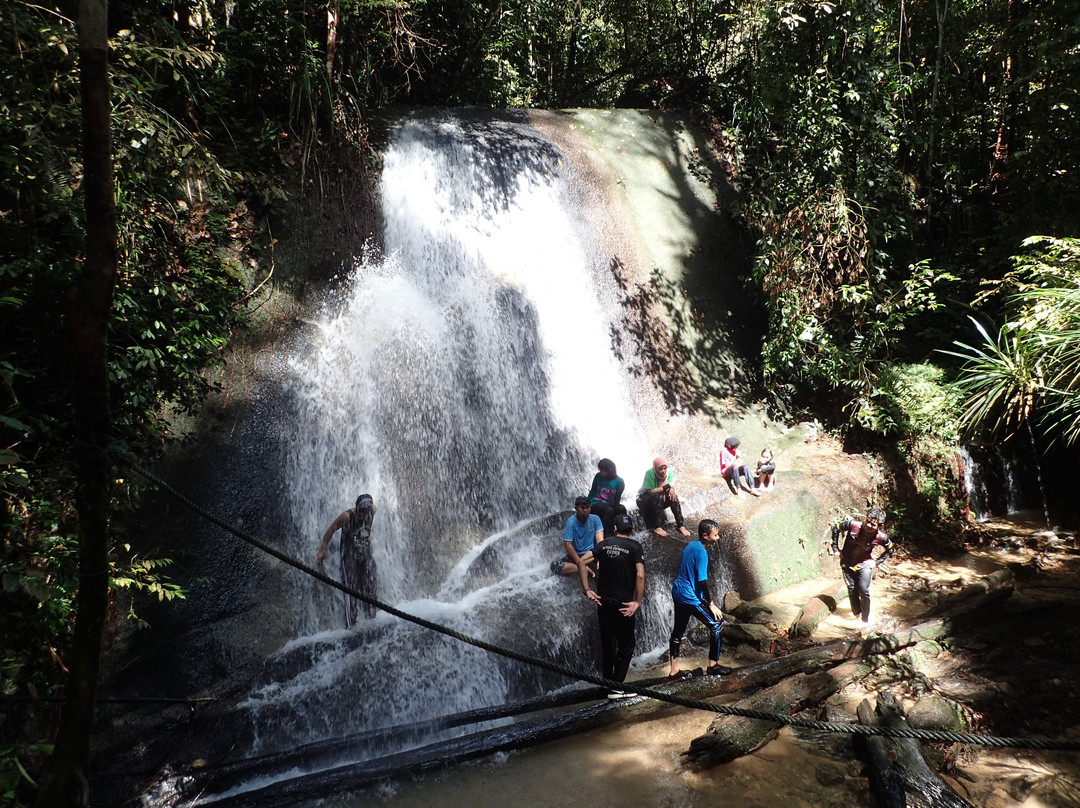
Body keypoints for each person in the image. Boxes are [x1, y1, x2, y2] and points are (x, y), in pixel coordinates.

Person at [581, 512, 645, 699]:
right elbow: (640, 574)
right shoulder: (635, 547)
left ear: (615, 528)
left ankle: (606, 684)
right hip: (624, 604)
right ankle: (616, 688)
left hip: (603, 602)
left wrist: (587, 589)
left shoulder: (604, 544)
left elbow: (582, 561)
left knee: (608, 644)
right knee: (626, 645)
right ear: (632, 530)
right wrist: (637, 602)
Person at [668, 519, 731, 678]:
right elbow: (702, 580)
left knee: (677, 631)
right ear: (705, 535)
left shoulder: (691, 545)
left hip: (678, 591)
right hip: (689, 596)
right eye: (715, 535)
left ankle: (674, 670)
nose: (717, 538)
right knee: (717, 625)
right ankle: (713, 665)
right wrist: (710, 604)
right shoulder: (702, 553)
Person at [317, 493, 378, 628]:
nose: (362, 517)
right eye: (360, 514)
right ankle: (351, 626)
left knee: (371, 585)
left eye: (365, 514)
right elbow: (331, 529)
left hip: (366, 554)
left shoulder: (373, 510)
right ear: (357, 509)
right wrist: (322, 550)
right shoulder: (347, 516)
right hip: (349, 556)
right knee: (352, 588)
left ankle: (372, 620)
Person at [830, 506, 894, 627]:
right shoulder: (853, 525)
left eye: (873, 525)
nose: (869, 525)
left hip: (864, 563)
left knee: (864, 591)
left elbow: (890, 549)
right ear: (865, 518)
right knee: (852, 589)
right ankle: (857, 616)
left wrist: (876, 562)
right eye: (868, 521)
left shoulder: (881, 537)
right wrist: (836, 549)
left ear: (879, 526)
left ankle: (865, 621)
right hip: (847, 562)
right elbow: (836, 528)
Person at [635, 456, 692, 538]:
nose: (663, 471)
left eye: (665, 468)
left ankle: (680, 525)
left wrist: (672, 489)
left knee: (674, 498)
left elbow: (670, 485)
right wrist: (668, 487)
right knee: (658, 497)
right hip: (643, 499)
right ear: (655, 468)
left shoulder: (669, 472)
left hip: (658, 498)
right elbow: (651, 491)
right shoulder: (650, 473)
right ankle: (657, 526)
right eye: (660, 469)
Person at [552, 496, 605, 576]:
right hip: (576, 555)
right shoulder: (571, 521)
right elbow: (567, 544)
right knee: (555, 566)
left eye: (587, 507)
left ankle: (584, 569)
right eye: (582, 508)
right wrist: (580, 564)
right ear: (576, 508)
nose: (585, 510)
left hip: (591, 554)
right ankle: (582, 569)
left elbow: (600, 541)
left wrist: (600, 558)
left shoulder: (595, 519)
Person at [588, 458, 628, 537]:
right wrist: (588, 504)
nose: (601, 473)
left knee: (621, 508)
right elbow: (593, 491)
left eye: (603, 471)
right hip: (596, 502)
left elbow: (617, 498)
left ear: (609, 470)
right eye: (600, 470)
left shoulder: (619, 481)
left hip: (610, 504)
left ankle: (623, 531)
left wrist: (616, 507)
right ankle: (608, 535)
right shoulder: (598, 476)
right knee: (608, 510)